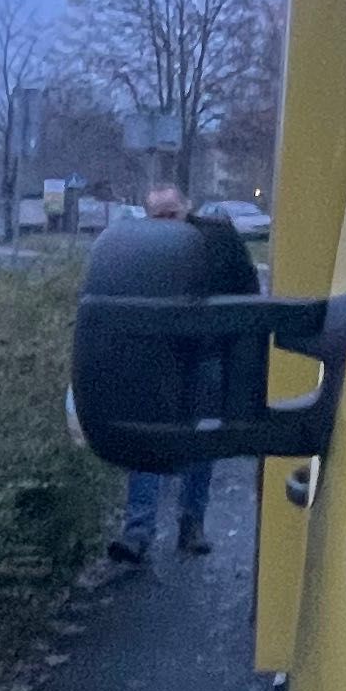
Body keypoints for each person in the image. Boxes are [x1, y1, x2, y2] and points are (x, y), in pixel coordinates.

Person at [105, 183, 255, 563]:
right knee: (148, 440)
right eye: (159, 217)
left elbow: (247, 290)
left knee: (202, 440)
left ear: (187, 208)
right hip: (157, 355)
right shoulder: (140, 246)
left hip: (208, 352)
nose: (167, 223)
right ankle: (138, 531)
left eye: (172, 214)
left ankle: (192, 523)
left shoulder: (219, 238)